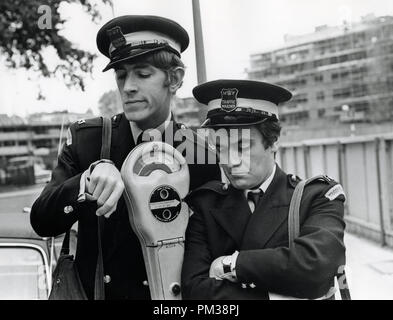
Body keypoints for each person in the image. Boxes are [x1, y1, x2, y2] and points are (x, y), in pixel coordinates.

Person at [30, 15, 220, 300]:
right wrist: (86, 181)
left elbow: (215, 243)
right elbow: (42, 221)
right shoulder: (89, 141)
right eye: (121, 75)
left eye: (142, 74)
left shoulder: (199, 151)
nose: (128, 87)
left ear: (175, 78)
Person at [181, 79, 346, 300]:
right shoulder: (205, 204)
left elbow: (317, 264)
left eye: (242, 147)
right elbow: (196, 291)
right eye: (220, 148)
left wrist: (232, 264)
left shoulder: (316, 196)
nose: (230, 161)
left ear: (274, 140)